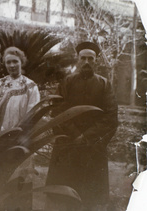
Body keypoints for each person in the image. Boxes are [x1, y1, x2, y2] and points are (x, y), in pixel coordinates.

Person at [45, 41, 118, 211]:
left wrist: (86, 137)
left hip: (93, 147)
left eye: (90, 59)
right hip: (68, 146)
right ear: (78, 60)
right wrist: (75, 135)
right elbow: (57, 111)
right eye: (83, 58)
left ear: (96, 61)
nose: (86, 62)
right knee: (63, 198)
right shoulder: (66, 82)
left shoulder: (105, 85)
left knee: (90, 198)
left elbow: (110, 117)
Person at [0, 46, 40, 130]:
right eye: (8, 62)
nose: (12, 65)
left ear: (21, 62)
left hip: (20, 134)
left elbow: (32, 112)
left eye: (15, 61)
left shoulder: (30, 86)